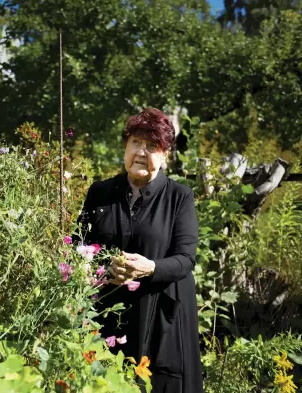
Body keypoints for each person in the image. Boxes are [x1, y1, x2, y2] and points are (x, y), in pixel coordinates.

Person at [76, 108, 203, 392]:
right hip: (109, 314)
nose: (142, 152)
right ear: (125, 146)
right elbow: (78, 245)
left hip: (160, 316)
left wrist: (151, 267)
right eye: (136, 142)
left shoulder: (179, 197)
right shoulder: (101, 192)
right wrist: (101, 267)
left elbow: (185, 260)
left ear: (166, 154)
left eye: (152, 145)